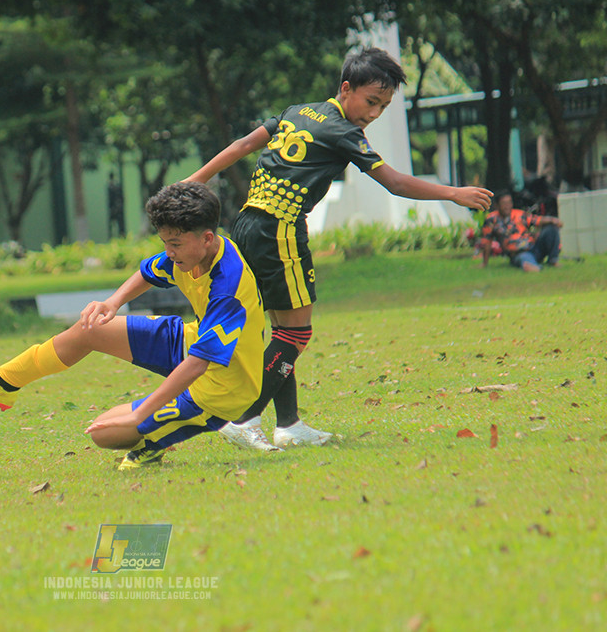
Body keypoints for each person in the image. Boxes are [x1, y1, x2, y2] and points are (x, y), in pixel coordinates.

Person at [186, 46, 493, 452]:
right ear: (346, 88)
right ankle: (242, 418)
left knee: (281, 328)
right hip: (279, 229)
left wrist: (195, 179)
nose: (374, 113)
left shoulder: (298, 111)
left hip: (247, 223)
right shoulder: (344, 132)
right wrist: (453, 192)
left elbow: (244, 145)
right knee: (295, 331)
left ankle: (290, 424)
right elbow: (396, 183)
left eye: (383, 106)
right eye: (371, 101)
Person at [0, 181, 265, 470]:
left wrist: (140, 416)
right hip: (191, 342)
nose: (168, 252)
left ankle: (149, 445)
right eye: (164, 242)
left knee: (105, 433)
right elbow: (149, 271)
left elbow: (198, 365)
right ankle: (3, 384)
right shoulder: (188, 253)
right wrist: (112, 302)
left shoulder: (228, 289)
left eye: (174, 244)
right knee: (90, 329)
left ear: (207, 239)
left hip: (225, 388)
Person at [478, 192, 562, 272]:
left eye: (509, 202)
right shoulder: (492, 220)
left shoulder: (519, 214)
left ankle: (553, 260)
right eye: (504, 203)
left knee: (551, 229)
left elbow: (537, 220)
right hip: (518, 253)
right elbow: (487, 241)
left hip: (534, 247)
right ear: (497, 205)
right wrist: (484, 263)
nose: (507, 206)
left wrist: (553, 220)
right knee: (525, 258)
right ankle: (531, 266)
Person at [106, 172, 126, 237]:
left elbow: (110, 198)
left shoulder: (111, 186)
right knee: (114, 224)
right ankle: (114, 236)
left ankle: (121, 235)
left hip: (116, 207)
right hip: (116, 207)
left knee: (119, 223)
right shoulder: (115, 185)